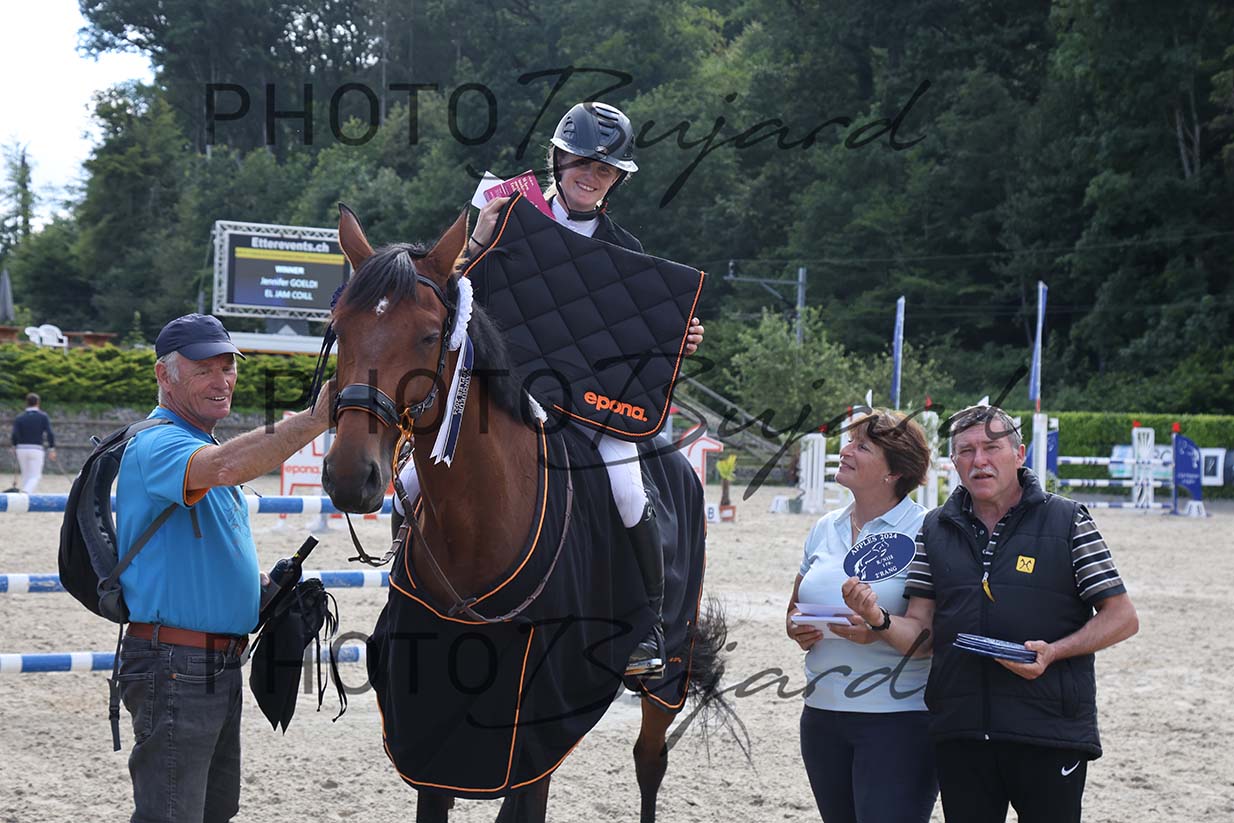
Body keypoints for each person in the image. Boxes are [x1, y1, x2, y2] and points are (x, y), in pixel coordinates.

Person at [396, 101, 704, 679]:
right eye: (582, 162)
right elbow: (452, 300)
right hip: (503, 389)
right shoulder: (507, 217)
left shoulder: (629, 250)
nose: (592, 176)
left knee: (628, 490)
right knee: (413, 479)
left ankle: (647, 627)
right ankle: (406, 591)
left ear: (616, 180)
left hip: (588, 403)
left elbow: (638, 338)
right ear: (558, 160)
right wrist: (477, 242)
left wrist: (676, 338)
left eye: (605, 170)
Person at [842, 405, 1139, 823]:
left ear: (1019, 454)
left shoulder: (1068, 519)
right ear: (954, 462)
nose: (979, 460)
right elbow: (923, 633)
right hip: (961, 730)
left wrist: (1054, 651)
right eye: (966, 451)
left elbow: (1122, 617)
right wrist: (879, 618)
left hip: (1048, 729)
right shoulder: (935, 528)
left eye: (991, 448)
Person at [114, 313, 331, 823]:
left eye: (228, 367)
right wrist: (315, 418)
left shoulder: (199, 445)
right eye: (203, 369)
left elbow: (199, 550)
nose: (222, 380)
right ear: (164, 376)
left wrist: (263, 591)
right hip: (177, 662)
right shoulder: (159, 441)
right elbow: (228, 467)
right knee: (172, 814)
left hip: (206, 663)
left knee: (213, 811)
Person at [785, 409, 937, 822]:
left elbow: (929, 637)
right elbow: (793, 610)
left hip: (897, 720)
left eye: (862, 446)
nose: (846, 451)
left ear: (894, 471)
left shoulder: (927, 530)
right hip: (821, 716)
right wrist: (798, 628)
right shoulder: (824, 527)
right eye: (849, 442)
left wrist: (878, 624)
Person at [10, 392, 56, 492]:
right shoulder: (43, 416)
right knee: (36, 476)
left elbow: (14, 434)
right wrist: (51, 448)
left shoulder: (19, 417)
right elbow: (50, 433)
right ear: (38, 402)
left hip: (21, 449)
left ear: (26, 403)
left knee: (26, 475)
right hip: (36, 449)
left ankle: (25, 497)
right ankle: (25, 493)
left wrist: (14, 445)